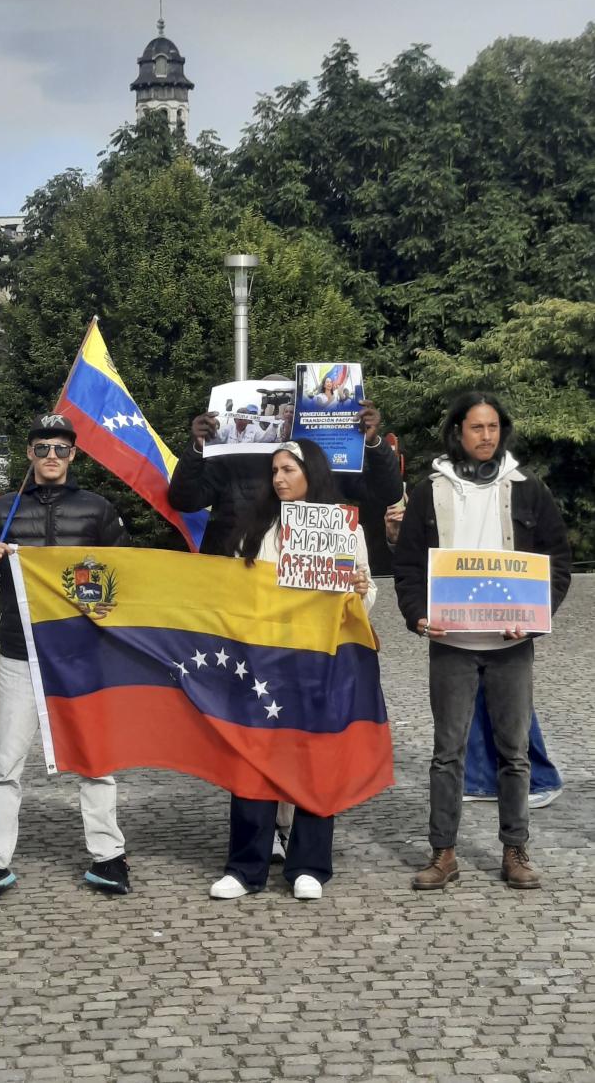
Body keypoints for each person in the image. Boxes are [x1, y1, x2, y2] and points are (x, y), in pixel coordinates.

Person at [393, 392, 571, 891]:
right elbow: (407, 567)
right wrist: (418, 616)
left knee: (514, 753)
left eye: (493, 427)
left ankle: (515, 850)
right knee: (447, 752)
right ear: (458, 432)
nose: (486, 436)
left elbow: (556, 562)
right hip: (452, 642)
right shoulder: (430, 491)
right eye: (476, 427)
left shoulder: (527, 487)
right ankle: (443, 853)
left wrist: (535, 620)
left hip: (511, 643)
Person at [0, 413, 131, 902]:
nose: (52, 456)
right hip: (20, 653)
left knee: (96, 759)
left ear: (73, 454)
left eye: (61, 448)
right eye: (43, 448)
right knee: (5, 763)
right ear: (30, 455)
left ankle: (108, 855)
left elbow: (124, 574)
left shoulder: (98, 510)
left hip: (81, 655)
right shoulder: (0, 512)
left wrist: (108, 607)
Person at [209, 439, 376, 902]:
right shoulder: (257, 527)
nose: (279, 479)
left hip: (319, 660)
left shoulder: (345, 528)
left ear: (311, 473)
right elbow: (232, 592)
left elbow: (361, 602)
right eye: (275, 471)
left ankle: (309, 864)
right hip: (261, 661)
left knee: (314, 758)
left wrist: (361, 588)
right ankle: (245, 867)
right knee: (253, 758)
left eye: (288, 470)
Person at [168, 378, 403, 559]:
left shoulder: (323, 458)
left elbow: (387, 493)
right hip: (240, 570)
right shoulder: (233, 456)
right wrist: (198, 449)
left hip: (311, 571)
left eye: (293, 412)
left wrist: (373, 442)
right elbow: (183, 500)